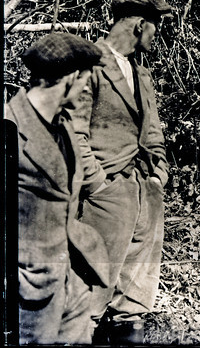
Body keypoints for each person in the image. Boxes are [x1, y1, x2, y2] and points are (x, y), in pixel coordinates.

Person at [68, 0, 173, 344]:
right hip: (106, 193)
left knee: (133, 300)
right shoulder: (90, 63)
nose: (157, 34)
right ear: (140, 24)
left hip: (146, 191)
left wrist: (159, 174)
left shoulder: (140, 73)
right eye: (155, 26)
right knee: (90, 288)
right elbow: (74, 133)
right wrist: (97, 184)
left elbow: (153, 130)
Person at [7, 32, 110, 344]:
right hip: (28, 293)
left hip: (71, 279)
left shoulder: (63, 126)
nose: (84, 90)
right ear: (71, 77)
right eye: (84, 81)